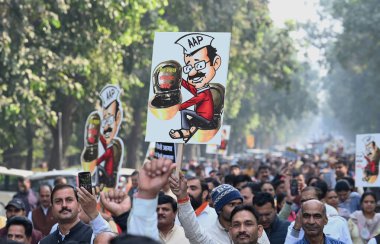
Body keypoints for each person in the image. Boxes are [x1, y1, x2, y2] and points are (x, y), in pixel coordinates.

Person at [169, 173, 270, 244]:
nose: (242, 230)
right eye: (236, 225)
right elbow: (193, 232)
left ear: (259, 230)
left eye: (248, 224)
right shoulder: (208, 230)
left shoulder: (259, 233)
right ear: (231, 231)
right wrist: (182, 198)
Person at [169, 33, 222, 142]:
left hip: (205, 118)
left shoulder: (204, 93)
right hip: (200, 117)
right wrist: (181, 81)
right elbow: (191, 89)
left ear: (215, 63)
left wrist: (180, 107)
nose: (192, 73)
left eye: (200, 65)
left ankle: (185, 131)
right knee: (190, 117)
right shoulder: (202, 89)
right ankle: (187, 131)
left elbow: (194, 100)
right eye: (188, 68)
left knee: (184, 112)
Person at [39, 185, 111, 243]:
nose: (64, 205)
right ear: (52, 208)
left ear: (79, 205)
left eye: (69, 200)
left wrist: (93, 213)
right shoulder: (44, 242)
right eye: (58, 201)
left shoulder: (93, 236)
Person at [285, 186, 352, 244]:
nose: (311, 222)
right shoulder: (294, 226)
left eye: (311, 199)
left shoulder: (338, 223)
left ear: (322, 201)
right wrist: (296, 228)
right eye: (303, 201)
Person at [97, 84, 123, 187]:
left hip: (108, 178)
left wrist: (96, 162)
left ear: (118, 118)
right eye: (104, 121)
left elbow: (104, 156)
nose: (106, 126)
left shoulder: (112, 146)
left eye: (110, 120)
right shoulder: (107, 143)